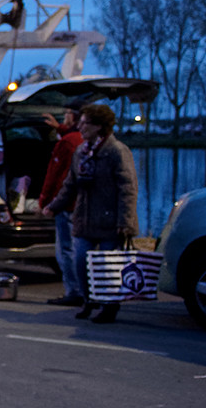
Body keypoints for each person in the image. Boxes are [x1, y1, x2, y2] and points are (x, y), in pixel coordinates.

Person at [46, 102, 139, 324]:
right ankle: (89, 300)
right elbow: (71, 184)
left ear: (99, 126)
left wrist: (125, 222)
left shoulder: (116, 151)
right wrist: (53, 206)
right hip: (85, 218)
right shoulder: (82, 151)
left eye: (86, 123)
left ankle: (109, 306)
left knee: (108, 267)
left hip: (109, 221)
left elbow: (128, 188)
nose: (81, 126)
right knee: (81, 263)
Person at [38, 105, 85, 306]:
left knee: (65, 250)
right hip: (82, 205)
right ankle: (84, 291)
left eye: (67, 114)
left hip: (65, 205)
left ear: (73, 117)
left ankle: (74, 291)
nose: (64, 117)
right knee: (79, 248)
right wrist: (59, 128)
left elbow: (54, 175)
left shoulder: (66, 143)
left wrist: (44, 201)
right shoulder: (84, 140)